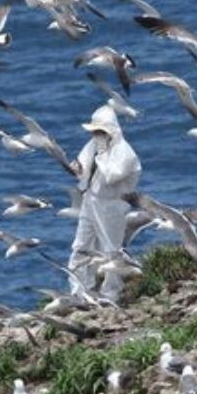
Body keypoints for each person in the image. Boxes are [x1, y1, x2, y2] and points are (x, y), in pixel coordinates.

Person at [67, 104, 141, 302]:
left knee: (111, 251)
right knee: (81, 246)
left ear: (111, 131)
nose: (96, 135)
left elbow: (111, 176)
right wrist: (77, 169)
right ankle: (80, 292)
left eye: (100, 131)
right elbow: (83, 168)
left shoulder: (125, 153)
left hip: (113, 206)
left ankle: (110, 295)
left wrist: (101, 153)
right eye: (94, 131)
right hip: (90, 201)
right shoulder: (92, 145)